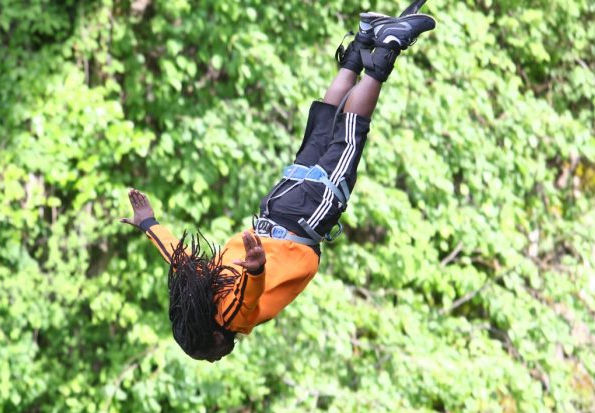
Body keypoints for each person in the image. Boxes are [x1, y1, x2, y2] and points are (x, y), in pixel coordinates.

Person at [121, 2, 436, 362]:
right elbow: (178, 256)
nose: (219, 356)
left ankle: (389, 45)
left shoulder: (229, 316)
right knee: (323, 128)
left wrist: (255, 268)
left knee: (350, 134)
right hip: (277, 204)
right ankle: (362, 40)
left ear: (211, 333)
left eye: (211, 353)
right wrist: (149, 223)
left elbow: (247, 294)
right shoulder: (204, 282)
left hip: (304, 218)